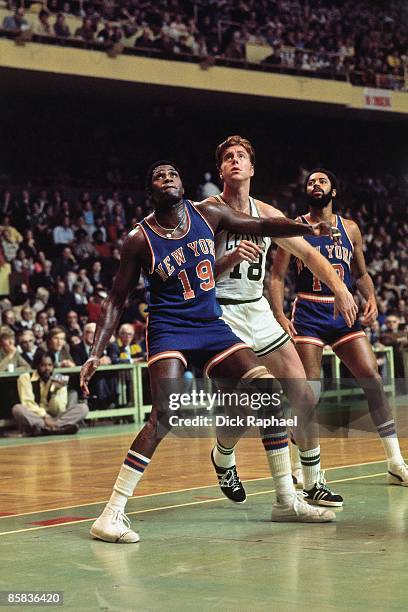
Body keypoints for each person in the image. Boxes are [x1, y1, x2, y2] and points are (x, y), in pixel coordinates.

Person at [80, 161, 351, 543]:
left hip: (210, 326)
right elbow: (115, 300)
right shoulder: (138, 239)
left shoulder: (207, 213)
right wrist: (95, 352)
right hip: (170, 331)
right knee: (165, 415)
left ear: (182, 183)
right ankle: (111, 513)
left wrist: (304, 227)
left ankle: (286, 501)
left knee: (268, 391)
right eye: (158, 175)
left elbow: (260, 226)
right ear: (150, 191)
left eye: (172, 173)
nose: (167, 178)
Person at [209, 136, 358, 506]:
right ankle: (223, 456)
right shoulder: (205, 212)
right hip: (221, 313)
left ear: (252, 168)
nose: (235, 161)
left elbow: (307, 252)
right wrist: (228, 259)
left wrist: (339, 286)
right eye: (228, 157)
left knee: (303, 393)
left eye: (241, 156)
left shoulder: (267, 214)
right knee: (242, 408)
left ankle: (312, 481)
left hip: (256, 309)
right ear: (221, 170)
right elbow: (194, 272)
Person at [271, 168, 408, 487]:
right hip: (308, 309)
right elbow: (277, 277)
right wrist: (279, 313)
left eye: (321, 181)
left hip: (342, 313)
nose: (315, 185)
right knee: (309, 392)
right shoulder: (294, 227)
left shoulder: (351, 229)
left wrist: (370, 297)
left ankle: (395, 461)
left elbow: (360, 274)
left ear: (334, 190)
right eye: (310, 182)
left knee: (373, 379)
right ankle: (298, 465)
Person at [12, 351, 88, 436]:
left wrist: (55, 393)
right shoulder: (25, 378)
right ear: (37, 366)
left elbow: (58, 410)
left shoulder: (58, 379)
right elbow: (28, 403)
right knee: (17, 409)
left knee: (83, 408)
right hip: (37, 417)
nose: (47, 368)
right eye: (43, 365)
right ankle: (59, 428)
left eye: (50, 365)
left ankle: (47, 429)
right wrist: (45, 416)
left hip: (55, 418)